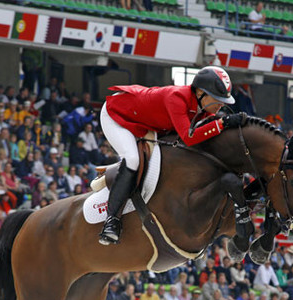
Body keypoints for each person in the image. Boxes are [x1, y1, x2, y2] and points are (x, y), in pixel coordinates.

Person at [98, 66, 244, 245]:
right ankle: (112, 221)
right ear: (199, 93)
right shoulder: (176, 98)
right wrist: (221, 124)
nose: (222, 104)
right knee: (133, 159)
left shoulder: (201, 107)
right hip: (117, 115)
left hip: (145, 121)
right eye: (218, 99)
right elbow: (189, 138)